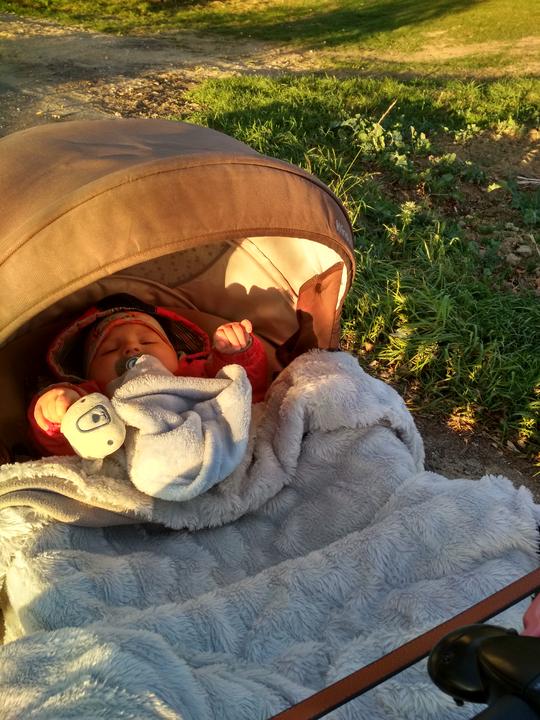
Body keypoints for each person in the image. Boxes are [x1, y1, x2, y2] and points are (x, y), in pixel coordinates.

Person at [28, 294, 268, 456]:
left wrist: (236, 354)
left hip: (213, 447)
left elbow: (244, 391)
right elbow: (65, 448)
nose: (132, 349)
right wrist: (58, 411)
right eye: (109, 350)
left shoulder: (194, 373)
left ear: (177, 354)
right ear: (89, 374)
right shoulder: (95, 397)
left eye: (148, 342)